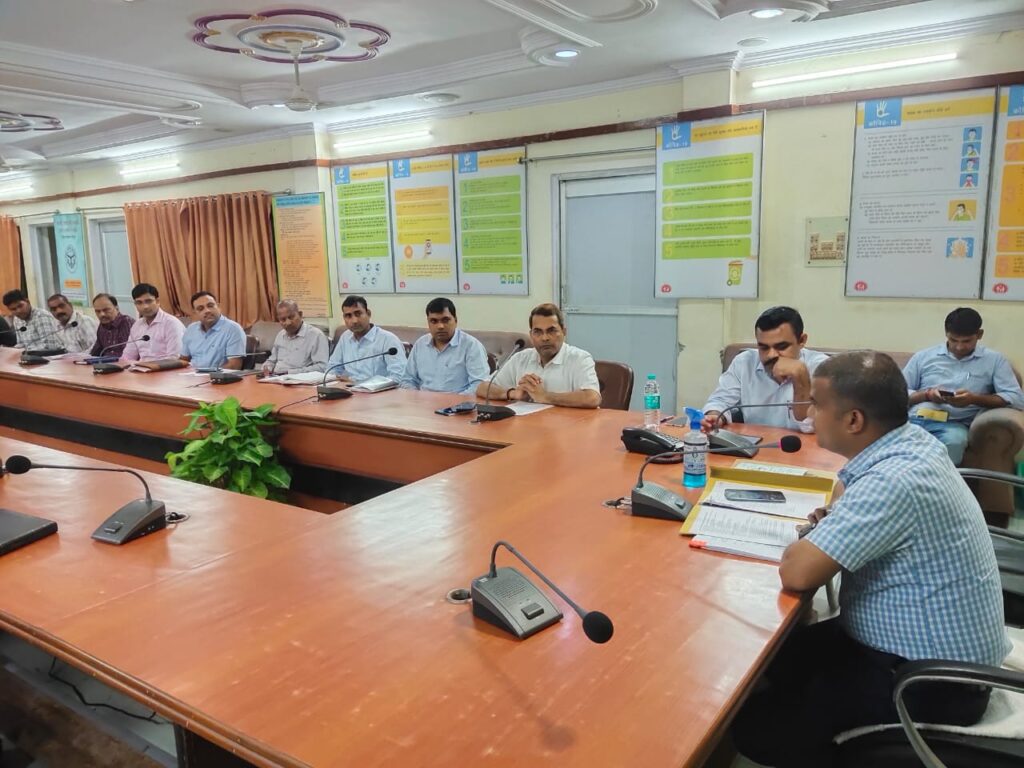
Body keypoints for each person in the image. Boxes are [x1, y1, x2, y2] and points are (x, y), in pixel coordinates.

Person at [732, 351, 1008, 768]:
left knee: (756, 729)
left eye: (817, 405)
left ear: (853, 421)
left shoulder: (893, 481)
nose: (809, 414)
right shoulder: (911, 444)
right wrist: (835, 520)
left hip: (927, 681)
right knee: (768, 660)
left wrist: (820, 534)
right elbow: (846, 489)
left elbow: (797, 573)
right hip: (911, 647)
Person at [902, 307, 1023, 465]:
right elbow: (897, 393)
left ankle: (940, 480)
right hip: (915, 419)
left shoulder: (994, 360)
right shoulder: (923, 357)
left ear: (979, 334)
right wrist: (927, 394)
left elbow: (1016, 398)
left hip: (953, 424)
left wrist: (974, 399)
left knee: (954, 442)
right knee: (891, 441)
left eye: (966, 341)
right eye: (953, 340)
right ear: (946, 333)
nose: (959, 347)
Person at [702, 306, 828, 432]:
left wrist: (800, 376)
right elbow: (720, 401)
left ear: (801, 341)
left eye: (781, 346)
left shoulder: (823, 368)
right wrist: (715, 416)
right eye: (764, 347)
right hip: (755, 442)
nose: (771, 355)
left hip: (803, 444)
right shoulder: (744, 362)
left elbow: (811, 428)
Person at [477, 303, 600, 408]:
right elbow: (482, 388)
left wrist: (545, 396)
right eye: (538, 332)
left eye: (551, 331)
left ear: (564, 332)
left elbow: (592, 398)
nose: (545, 338)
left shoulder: (580, 358)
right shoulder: (520, 358)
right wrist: (512, 393)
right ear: (531, 335)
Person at [401, 297, 489, 394]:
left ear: (455, 320)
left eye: (445, 320)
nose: (440, 326)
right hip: (423, 400)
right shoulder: (420, 344)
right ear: (428, 323)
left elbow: (479, 385)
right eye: (434, 321)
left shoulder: (471, 346)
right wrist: (416, 397)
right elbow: (408, 380)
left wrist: (454, 402)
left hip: (459, 401)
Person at [326, 295, 407, 382]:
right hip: (347, 388)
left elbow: (399, 376)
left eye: (358, 314)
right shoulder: (345, 337)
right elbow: (332, 368)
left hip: (379, 390)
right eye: (348, 316)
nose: (354, 321)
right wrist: (334, 379)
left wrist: (357, 382)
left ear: (368, 314)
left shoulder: (388, 340)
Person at [180, 291, 247, 371]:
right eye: (200, 309)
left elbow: (234, 366)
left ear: (218, 307)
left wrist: (204, 375)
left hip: (216, 377)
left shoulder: (233, 329)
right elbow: (184, 359)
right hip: (191, 375)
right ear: (195, 313)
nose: (207, 310)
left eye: (210, 306)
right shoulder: (191, 329)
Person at [261, 299, 329, 375]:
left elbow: (322, 367)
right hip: (275, 377)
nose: (288, 322)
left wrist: (290, 372)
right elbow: (272, 360)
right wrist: (267, 368)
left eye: (291, 317)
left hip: (299, 379)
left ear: (300, 314)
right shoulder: (280, 335)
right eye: (283, 319)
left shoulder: (316, 335)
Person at [122, 283, 185, 362]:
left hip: (166, 368)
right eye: (139, 302)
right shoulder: (137, 325)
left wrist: (149, 366)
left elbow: (174, 358)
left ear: (157, 301)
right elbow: (127, 356)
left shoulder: (171, 323)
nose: (145, 306)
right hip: (141, 368)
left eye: (148, 301)